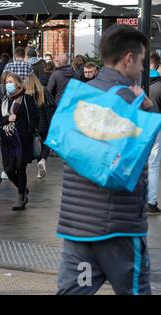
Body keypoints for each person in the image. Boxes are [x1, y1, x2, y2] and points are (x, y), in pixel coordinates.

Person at [56, 24, 153, 295]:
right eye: (142, 60)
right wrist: (148, 111)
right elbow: (134, 159)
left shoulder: (78, 95)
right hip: (118, 229)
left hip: (76, 226)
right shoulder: (129, 101)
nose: (143, 68)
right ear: (129, 59)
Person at [0, 72, 39, 210]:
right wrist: (8, 119)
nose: (9, 84)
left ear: (18, 83)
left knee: (20, 168)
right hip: (7, 140)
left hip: (21, 139)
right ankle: (22, 188)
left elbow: (35, 117)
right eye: (7, 82)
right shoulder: (4, 101)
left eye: (11, 82)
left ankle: (21, 197)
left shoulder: (26, 99)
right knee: (8, 169)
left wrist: (28, 131)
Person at [24, 74, 56, 179]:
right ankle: (42, 161)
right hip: (45, 123)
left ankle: (40, 168)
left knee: (37, 145)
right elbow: (53, 104)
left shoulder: (25, 93)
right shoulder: (44, 90)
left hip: (32, 124)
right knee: (46, 143)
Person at [145, 53, 161, 215]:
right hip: (156, 127)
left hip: (136, 126)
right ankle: (151, 201)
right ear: (157, 65)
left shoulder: (135, 82)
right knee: (153, 165)